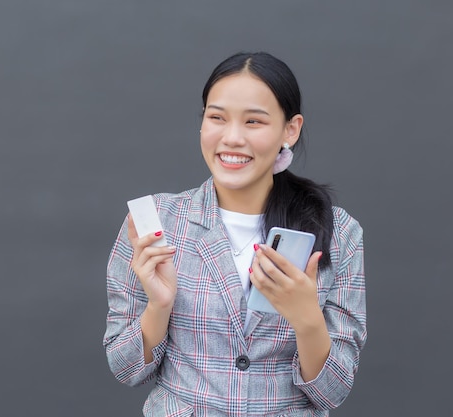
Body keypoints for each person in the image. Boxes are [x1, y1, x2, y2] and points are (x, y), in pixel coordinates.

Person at [103, 51, 366, 417]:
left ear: (290, 130)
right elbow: (125, 368)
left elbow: (333, 392)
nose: (232, 138)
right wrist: (158, 306)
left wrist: (307, 319)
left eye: (254, 122)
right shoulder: (158, 221)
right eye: (216, 118)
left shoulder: (339, 232)